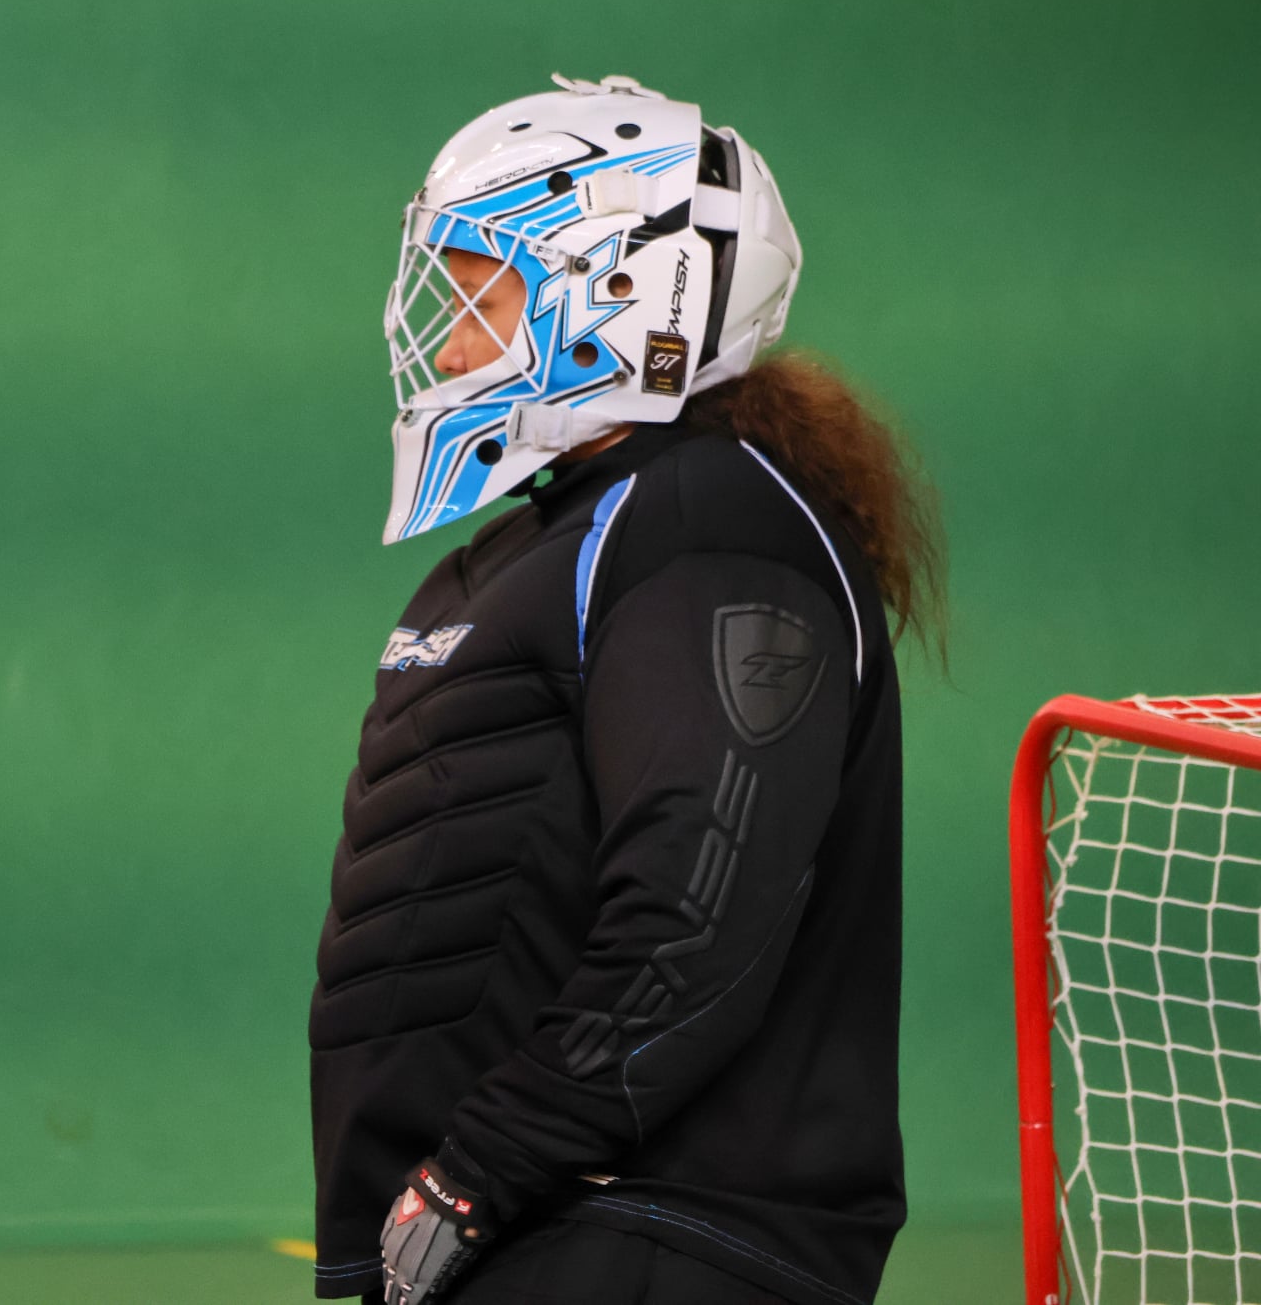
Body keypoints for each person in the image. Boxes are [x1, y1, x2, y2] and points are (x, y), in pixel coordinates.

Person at [307, 75, 943, 1305]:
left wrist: (478, 1173)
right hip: (535, 1236)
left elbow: (699, 902)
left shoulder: (707, 525)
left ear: (618, 294)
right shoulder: (565, 535)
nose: (447, 347)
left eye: (482, 299)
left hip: (647, 1236)